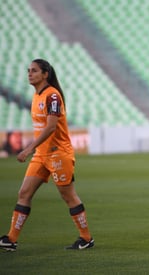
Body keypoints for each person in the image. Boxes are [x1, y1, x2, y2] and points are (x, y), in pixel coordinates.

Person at [0, 59, 94, 251]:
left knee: (68, 196)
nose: (29, 74)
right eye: (28, 71)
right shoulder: (36, 96)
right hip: (41, 156)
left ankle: (86, 238)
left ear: (45, 74)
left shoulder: (52, 96)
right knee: (24, 193)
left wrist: (28, 148)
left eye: (34, 71)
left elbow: (51, 127)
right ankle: (11, 239)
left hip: (58, 154)